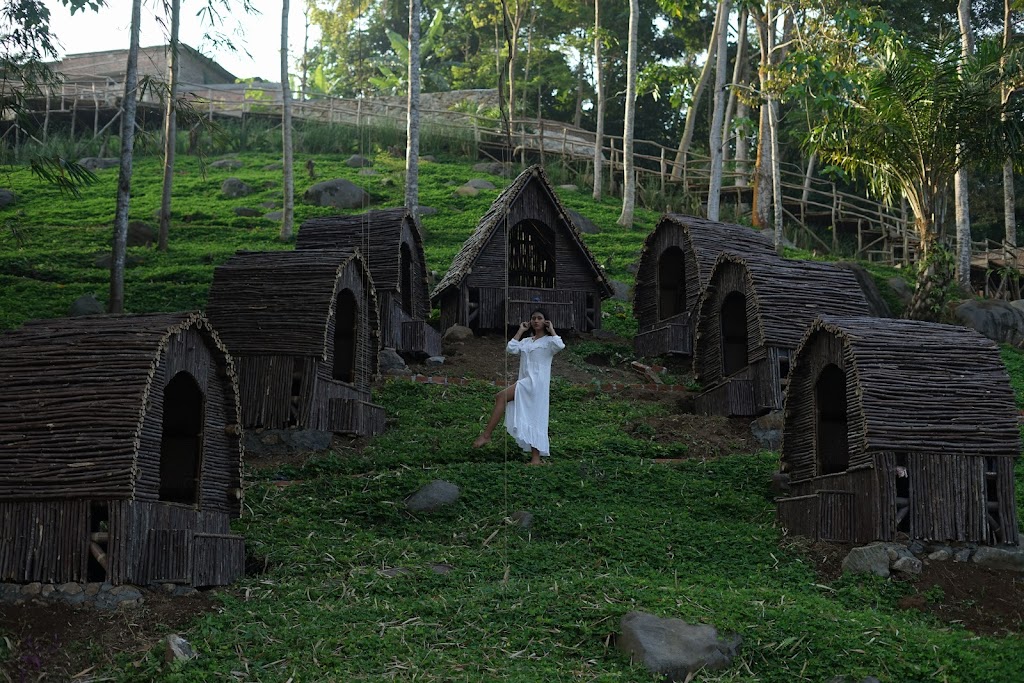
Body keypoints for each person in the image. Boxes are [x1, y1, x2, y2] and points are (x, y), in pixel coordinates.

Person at [472, 309, 565, 464]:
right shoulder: (527, 342)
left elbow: (560, 345)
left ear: (545, 322)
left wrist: (552, 330)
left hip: (538, 385)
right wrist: (521, 330)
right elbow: (511, 348)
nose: (536, 321)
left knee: (534, 415)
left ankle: (487, 436)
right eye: (533, 318)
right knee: (509, 402)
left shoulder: (549, 342)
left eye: (540, 318)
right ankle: (535, 459)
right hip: (526, 381)